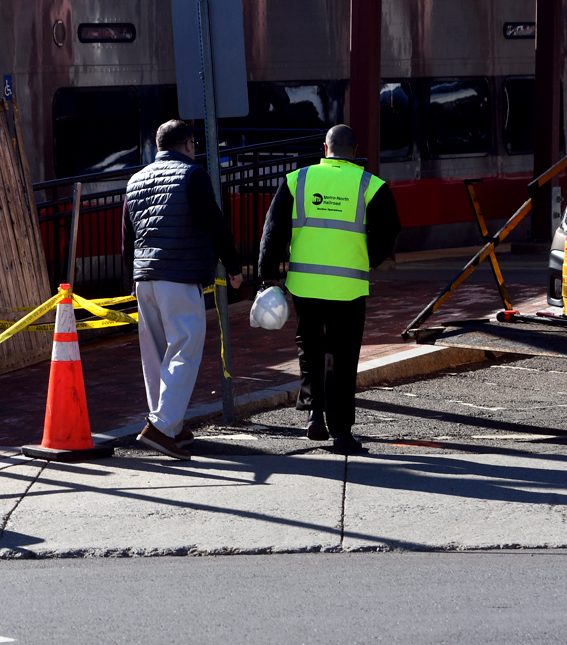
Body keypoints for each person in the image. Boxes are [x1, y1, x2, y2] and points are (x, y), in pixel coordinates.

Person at [258, 124, 401, 454]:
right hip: (349, 286)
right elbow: (389, 230)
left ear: (325, 149)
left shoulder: (297, 180)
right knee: (343, 355)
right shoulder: (371, 185)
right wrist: (369, 259)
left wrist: (268, 276)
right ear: (355, 151)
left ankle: (314, 416)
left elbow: (273, 230)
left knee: (310, 348)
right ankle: (342, 433)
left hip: (305, 285)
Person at [123, 119, 244, 460]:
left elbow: (127, 237)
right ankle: (162, 428)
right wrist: (233, 266)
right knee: (185, 350)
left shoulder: (135, 180)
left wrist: (131, 279)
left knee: (155, 354)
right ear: (189, 145)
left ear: (158, 146)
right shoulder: (192, 175)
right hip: (179, 275)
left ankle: (170, 426)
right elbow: (214, 224)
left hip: (144, 277)